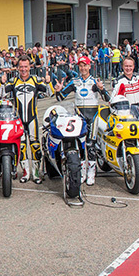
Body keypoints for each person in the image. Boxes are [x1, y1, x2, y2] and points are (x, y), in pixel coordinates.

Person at [53, 56, 109, 185]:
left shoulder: (95, 81)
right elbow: (61, 98)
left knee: (91, 145)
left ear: (90, 66)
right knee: (80, 145)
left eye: (85, 65)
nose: (83, 68)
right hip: (79, 118)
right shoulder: (75, 81)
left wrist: (102, 89)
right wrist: (58, 90)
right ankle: (82, 172)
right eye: (81, 66)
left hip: (93, 117)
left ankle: (91, 173)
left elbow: (107, 99)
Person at [0, 56, 51, 183]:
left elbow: (50, 93)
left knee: (35, 146)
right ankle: (26, 173)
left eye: (26, 67)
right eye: (21, 67)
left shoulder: (36, 80)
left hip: (32, 119)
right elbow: (1, 94)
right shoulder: (13, 81)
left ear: (30, 67)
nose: (23, 69)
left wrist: (49, 82)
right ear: (17, 68)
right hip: (19, 120)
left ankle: (36, 174)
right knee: (21, 147)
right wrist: (2, 82)